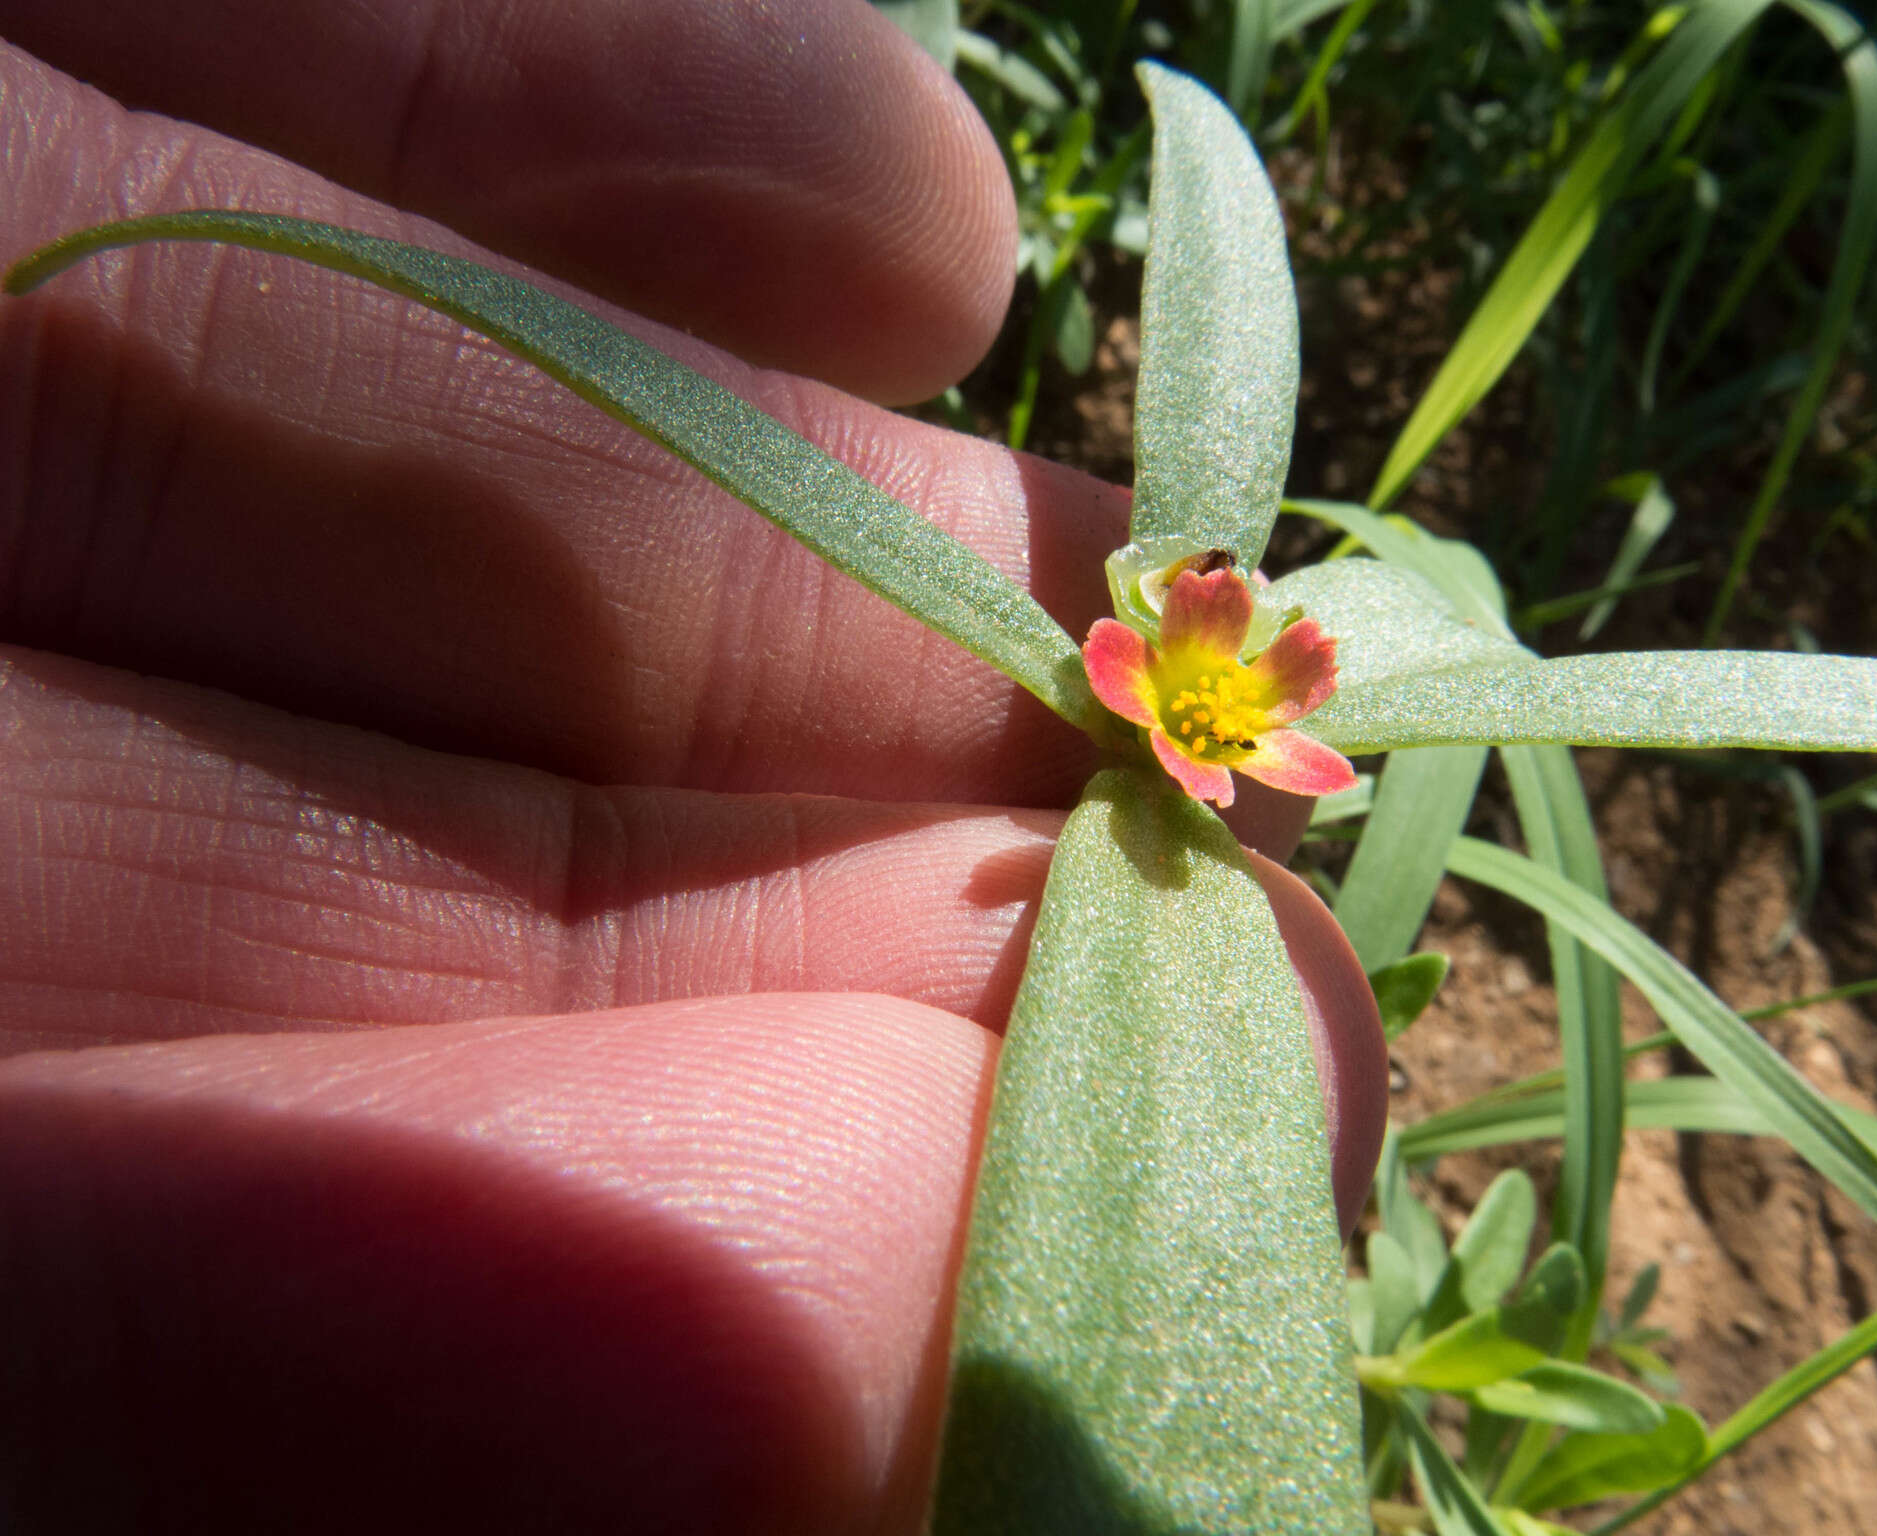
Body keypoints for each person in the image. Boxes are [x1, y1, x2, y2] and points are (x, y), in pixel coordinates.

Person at [0, 1, 1384, 1527]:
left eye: (1231, 715)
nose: (1218, 720)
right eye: (1203, 708)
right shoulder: (1161, 681)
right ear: (1160, 667)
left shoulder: (1235, 711)